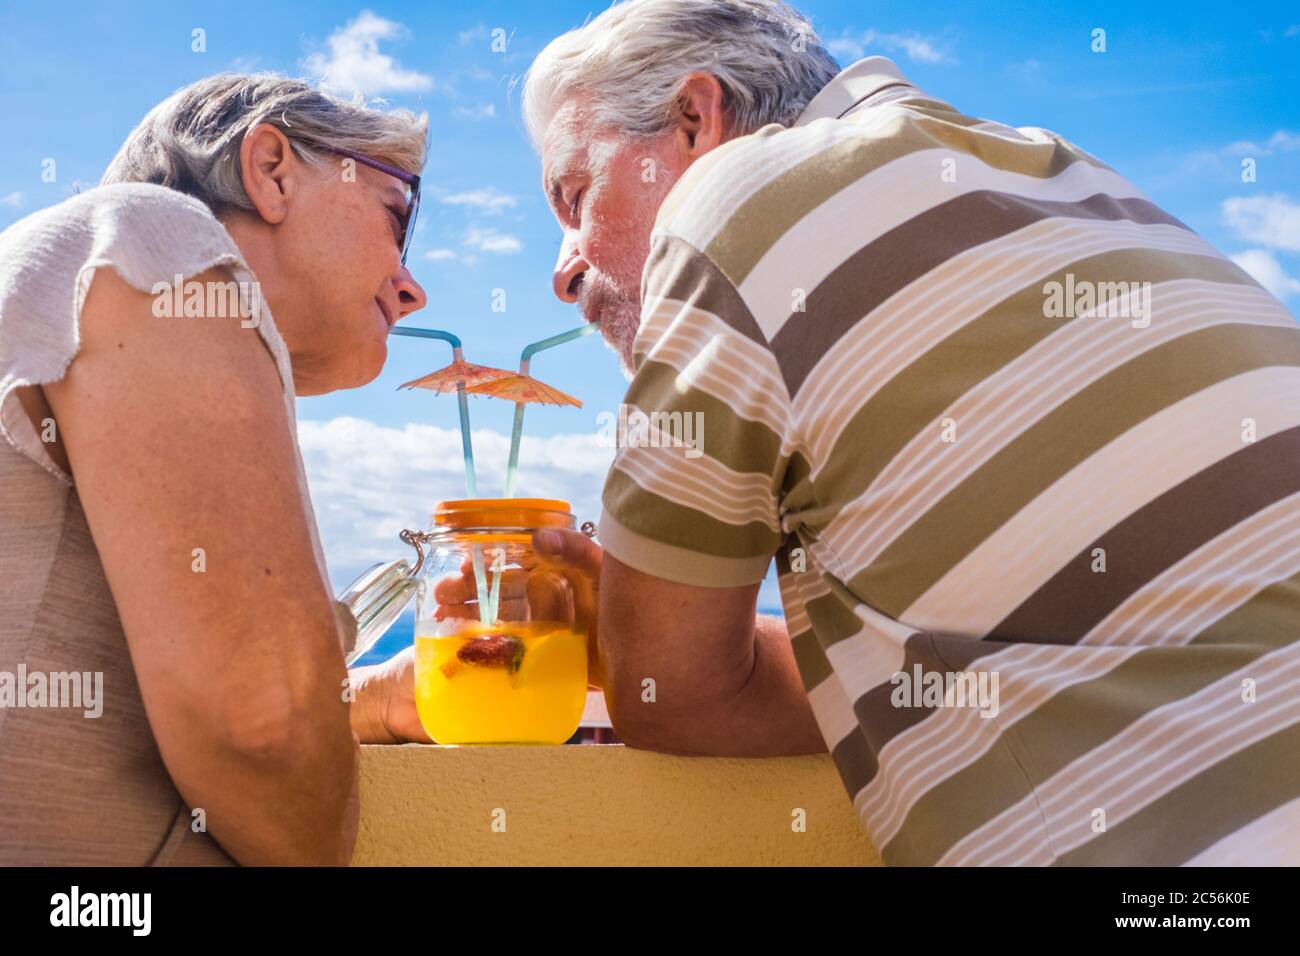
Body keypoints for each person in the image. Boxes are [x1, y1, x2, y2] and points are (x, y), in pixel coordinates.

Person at [495, 0, 1300, 864]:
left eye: (575, 197)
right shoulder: (1082, 189)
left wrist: (613, 622)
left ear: (696, 119)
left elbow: (672, 695)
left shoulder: (732, 204)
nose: (563, 267)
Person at [0, 73, 435, 866]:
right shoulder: (152, 240)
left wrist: (365, 701)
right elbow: (263, 734)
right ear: (271, 168)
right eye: (396, 216)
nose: (410, 288)